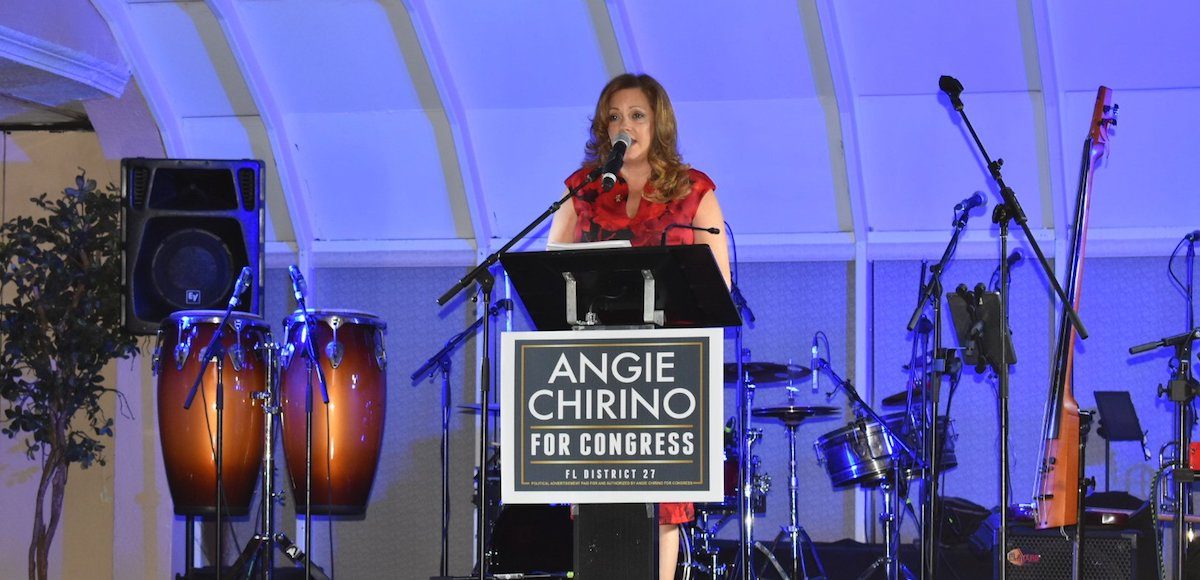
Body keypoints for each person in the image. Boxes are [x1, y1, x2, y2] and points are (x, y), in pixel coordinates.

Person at [548, 72, 731, 580]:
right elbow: (548, 274)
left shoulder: (693, 191)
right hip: (596, 377)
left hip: (665, 378)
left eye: (636, 115)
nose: (623, 125)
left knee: (662, 505)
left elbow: (718, 290)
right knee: (596, 498)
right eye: (614, 117)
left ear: (658, 123)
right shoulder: (583, 190)